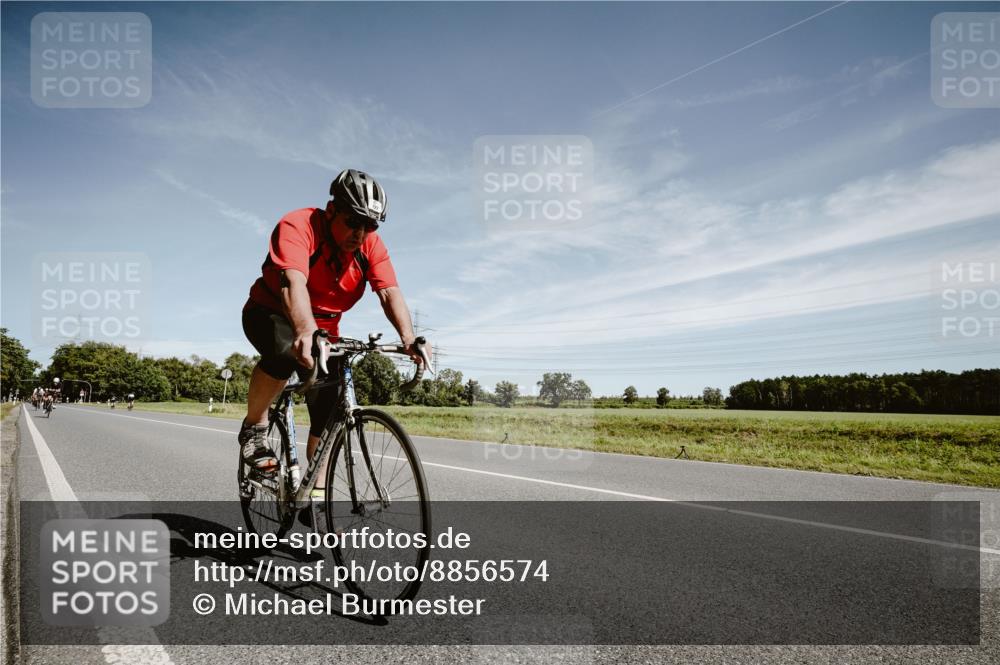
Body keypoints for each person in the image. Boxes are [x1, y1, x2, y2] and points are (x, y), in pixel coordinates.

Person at [239, 169, 426, 483]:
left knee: (330, 410)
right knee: (284, 354)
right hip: (271, 312)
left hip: (324, 330)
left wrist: (408, 337)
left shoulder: (370, 246)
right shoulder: (299, 226)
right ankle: (255, 429)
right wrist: (303, 329)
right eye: (353, 221)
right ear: (332, 210)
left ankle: (316, 493)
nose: (360, 233)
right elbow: (292, 282)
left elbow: (389, 292)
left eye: (369, 226)